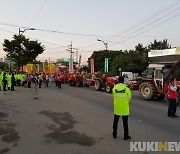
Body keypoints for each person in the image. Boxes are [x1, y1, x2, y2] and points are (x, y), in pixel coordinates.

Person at [112, 76, 131, 140]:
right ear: (123, 81)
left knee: (115, 121)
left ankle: (114, 134)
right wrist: (125, 102)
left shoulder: (114, 88)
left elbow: (114, 96)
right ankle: (126, 136)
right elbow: (129, 98)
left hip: (117, 107)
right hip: (124, 108)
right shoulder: (126, 88)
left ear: (118, 80)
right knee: (125, 123)